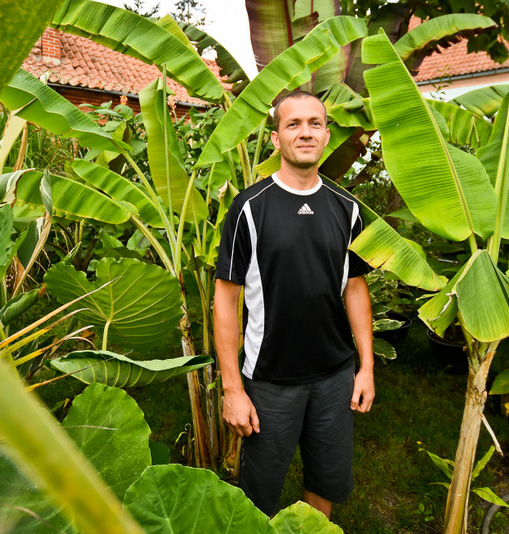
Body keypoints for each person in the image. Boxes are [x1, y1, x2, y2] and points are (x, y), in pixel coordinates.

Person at [213, 90, 375, 519]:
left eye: (314, 124)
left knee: (325, 481)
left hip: (335, 376)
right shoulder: (249, 208)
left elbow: (355, 287)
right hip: (270, 379)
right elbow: (226, 300)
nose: (305, 132)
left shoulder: (347, 209)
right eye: (293, 124)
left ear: (326, 135)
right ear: (275, 138)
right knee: (258, 496)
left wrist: (367, 367)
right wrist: (233, 389)